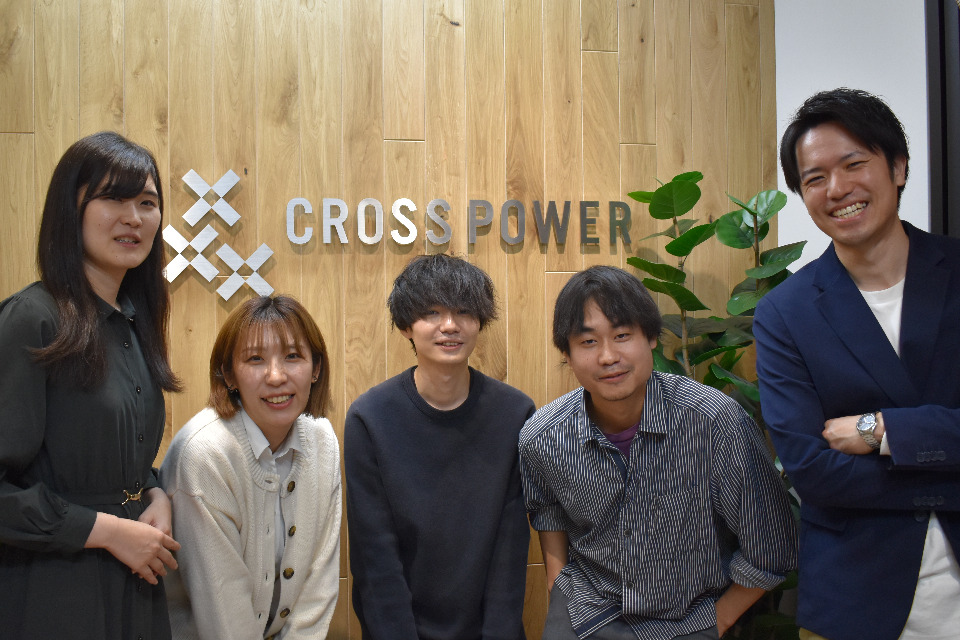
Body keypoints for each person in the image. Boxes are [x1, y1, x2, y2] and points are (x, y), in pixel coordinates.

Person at [754, 87, 960, 640]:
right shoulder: (785, 314)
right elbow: (812, 471)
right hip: (855, 602)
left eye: (853, 164)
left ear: (898, 166)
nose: (837, 189)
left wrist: (881, 431)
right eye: (815, 178)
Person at [520, 265, 797, 639]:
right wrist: (558, 587)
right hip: (587, 615)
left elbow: (771, 544)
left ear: (650, 337)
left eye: (622, 335)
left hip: (690, 617)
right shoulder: (543, 435)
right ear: (566, 353)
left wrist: (717, 621)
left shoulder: (714, 422)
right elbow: (548, 509)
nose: (607, 356)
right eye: (587, 342)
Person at [0, 131, 182, 638]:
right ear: (70, 210)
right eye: (113, 198)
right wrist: (106, 532)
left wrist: (155, 493)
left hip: (133, 582)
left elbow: (114, 455)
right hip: (53, 592)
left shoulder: (133, 321)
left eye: (147, 203)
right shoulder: (31, 320)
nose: (134, 218)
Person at [344, 253, 535, 639]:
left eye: (464, 311)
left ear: (480, 321)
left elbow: (511, 548)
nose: (450, 325)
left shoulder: (514, 413)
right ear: (406, 327)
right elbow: (374, 555)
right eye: (431, 312)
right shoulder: (370, 417)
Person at [161, 295, 341, 640]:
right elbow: (224, 618)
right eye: (255, 359)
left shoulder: (322, 441)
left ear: (316, 368)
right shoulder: (205, 454)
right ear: (229, 374)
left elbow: (318, 587)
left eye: (293, 356)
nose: (276, 376)